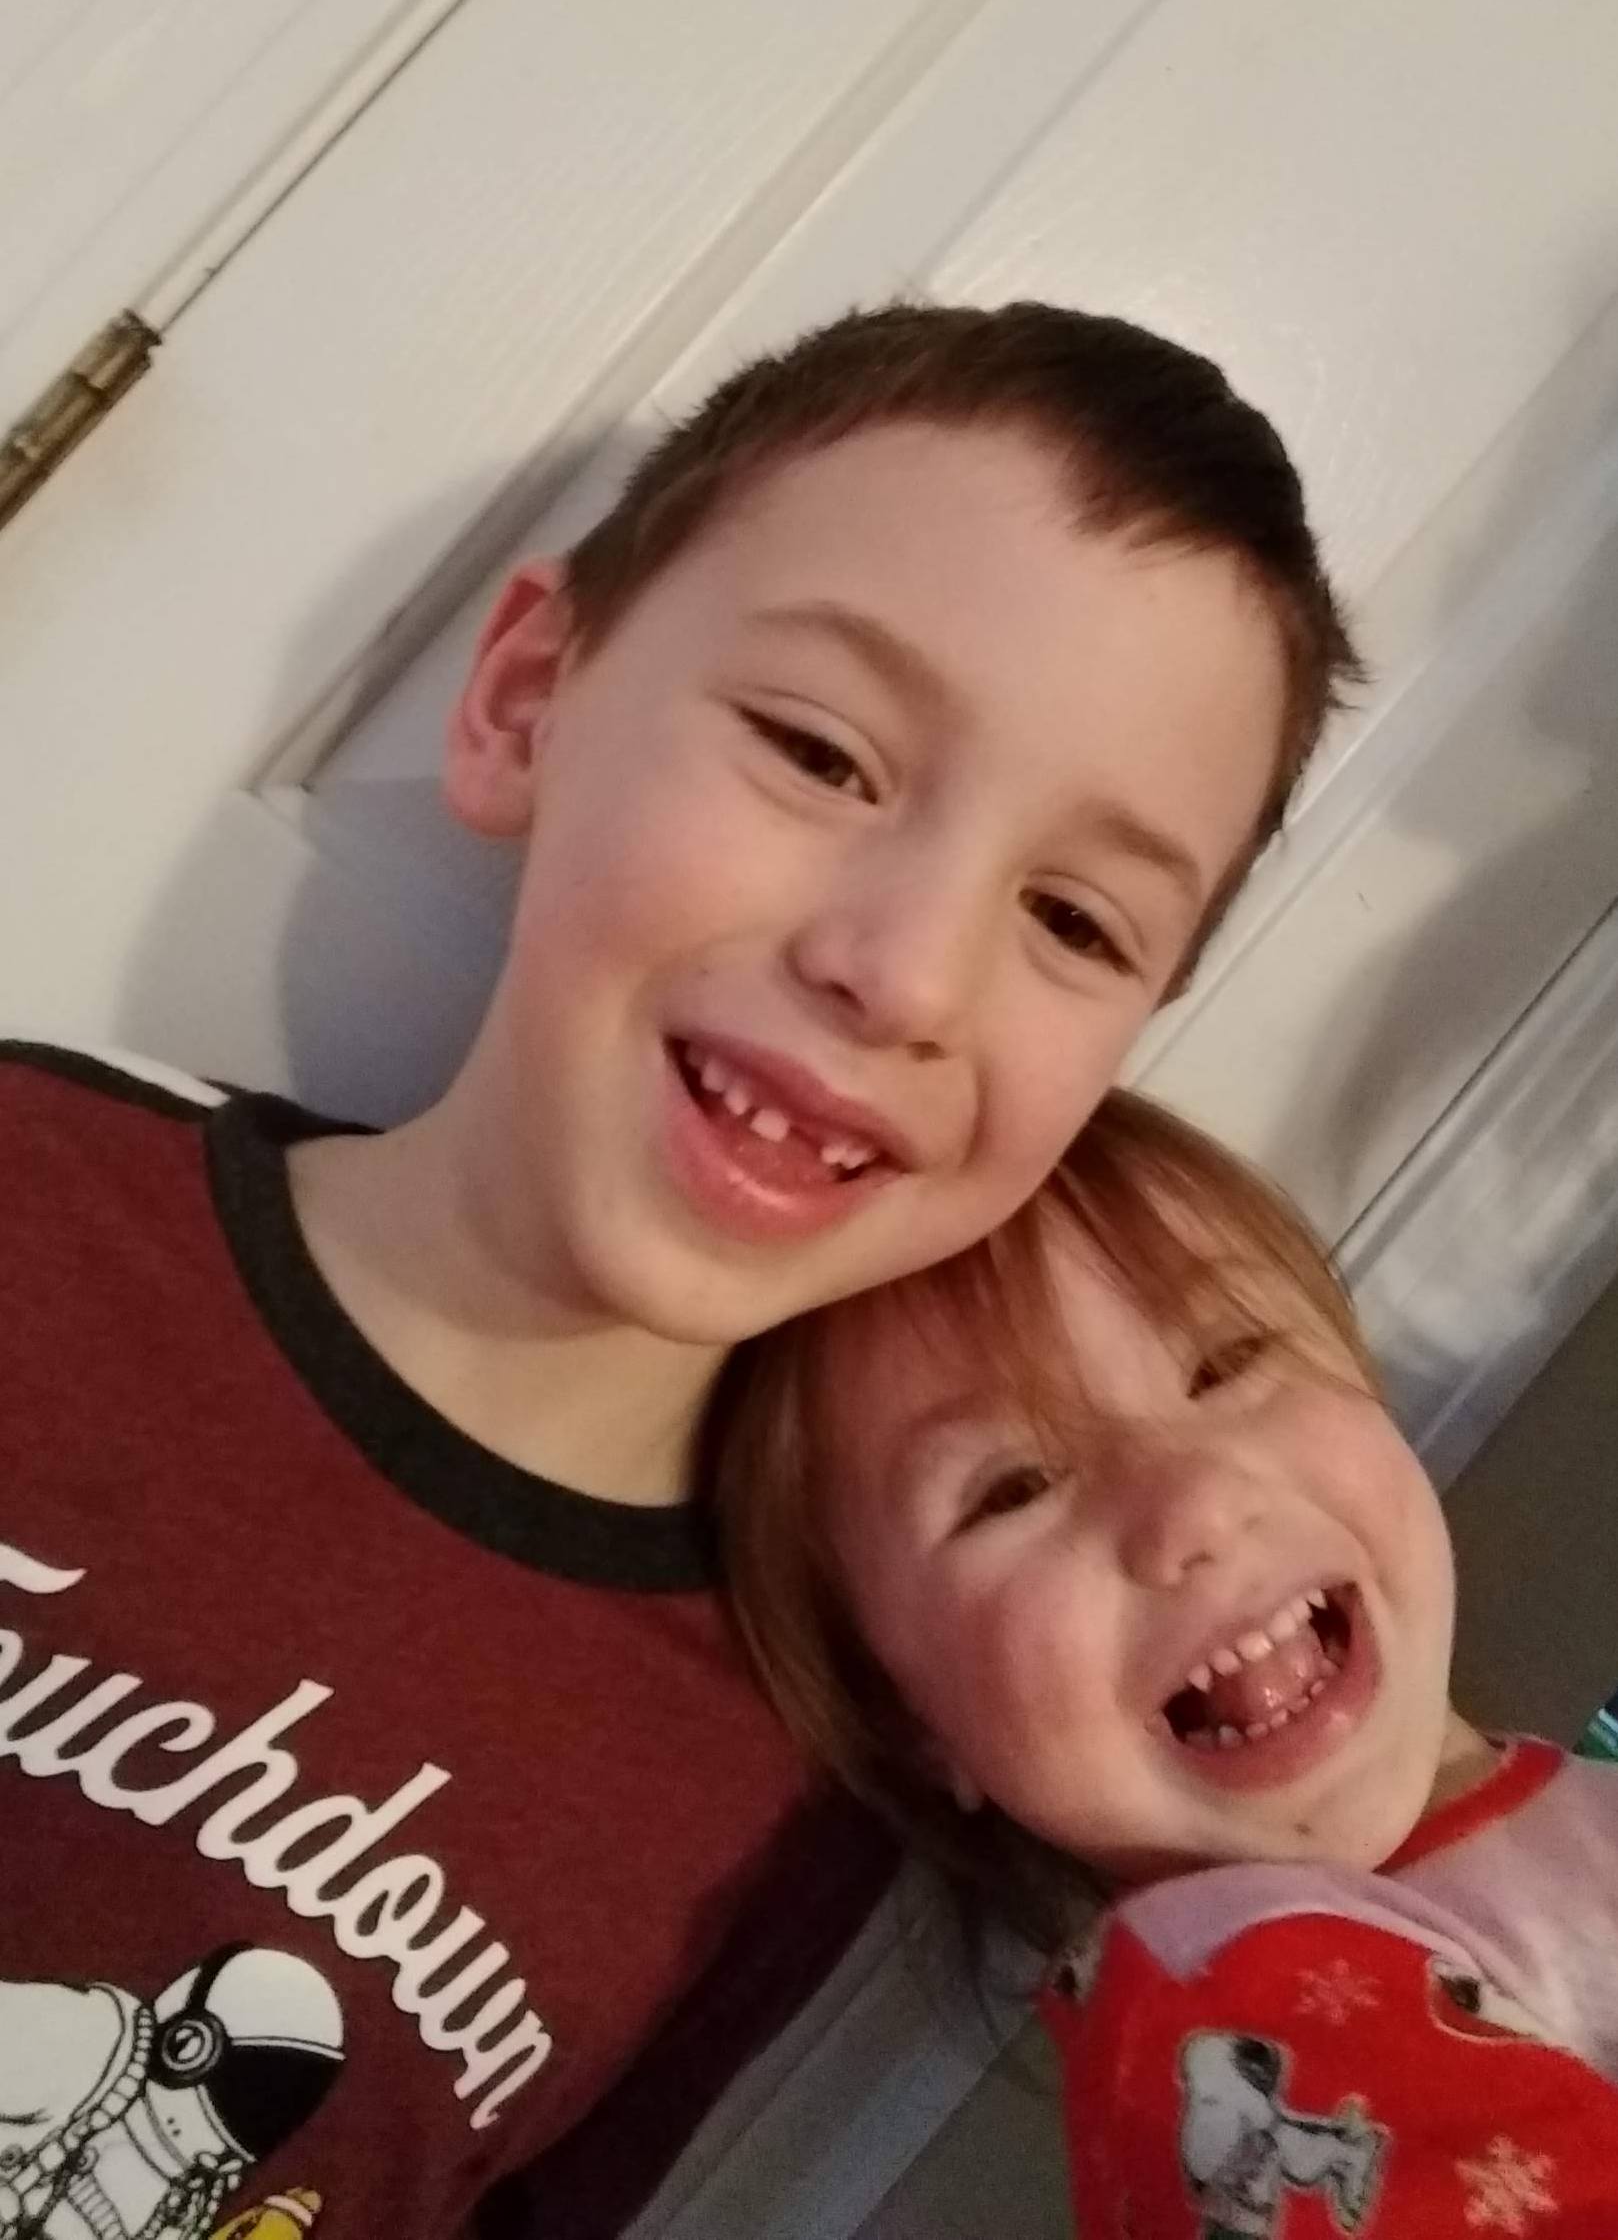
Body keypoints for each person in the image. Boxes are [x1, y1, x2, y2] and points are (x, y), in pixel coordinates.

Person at [0, 300, 1356, 2240]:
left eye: (1072, 919)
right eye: (817, 751)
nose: (902, 970)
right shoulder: (32, 1186)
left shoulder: (795, 1770)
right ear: (525, 700)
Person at [720, 1090, 1618, 2237]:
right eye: (1015, 1487)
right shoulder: (1227, 2001)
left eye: (1229, 1360)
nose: (1189, 1502)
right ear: (910, 1723)